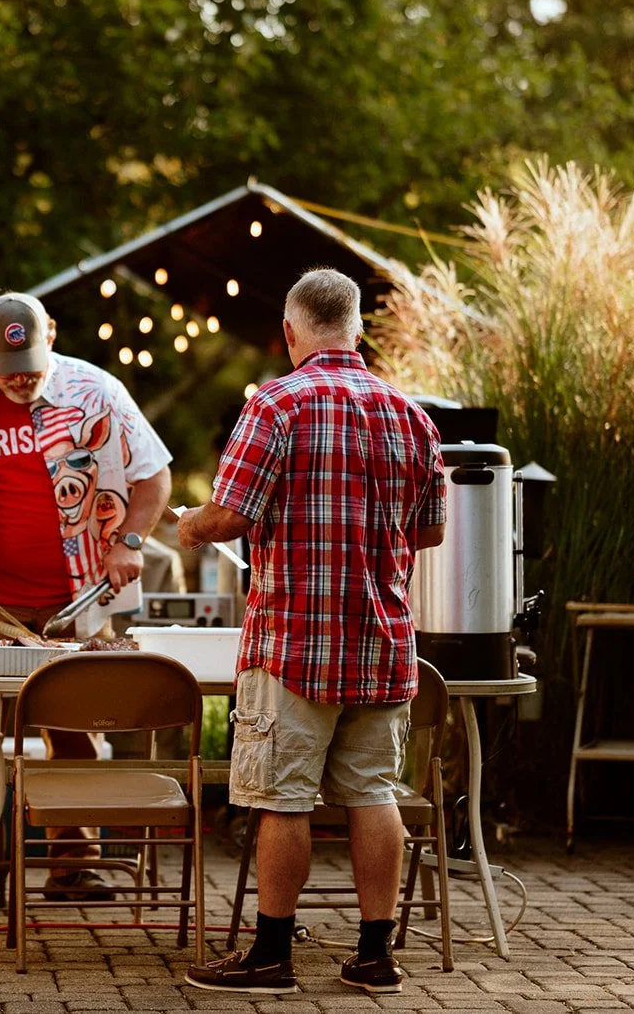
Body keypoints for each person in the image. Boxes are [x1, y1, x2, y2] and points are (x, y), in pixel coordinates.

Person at [177, 269, 446, 996]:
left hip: (294, 641)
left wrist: (189, 525)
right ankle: (375, 955)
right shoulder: (411, 414)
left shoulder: (276, 403)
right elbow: (430, 532)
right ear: (357, 329)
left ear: (292, 331)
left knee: (281, 800)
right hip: (381, 641)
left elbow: (230, 515)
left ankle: (270, 957)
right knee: (373, 794)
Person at [0, 292, 173, 906]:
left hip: (74, 601)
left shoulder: (97, 393)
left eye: (32, 365)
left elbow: (154, 474)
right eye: (8, 369)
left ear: (51, 332)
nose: (21, 380)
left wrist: (131, 540)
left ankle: (75, 864)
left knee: (77, 728)